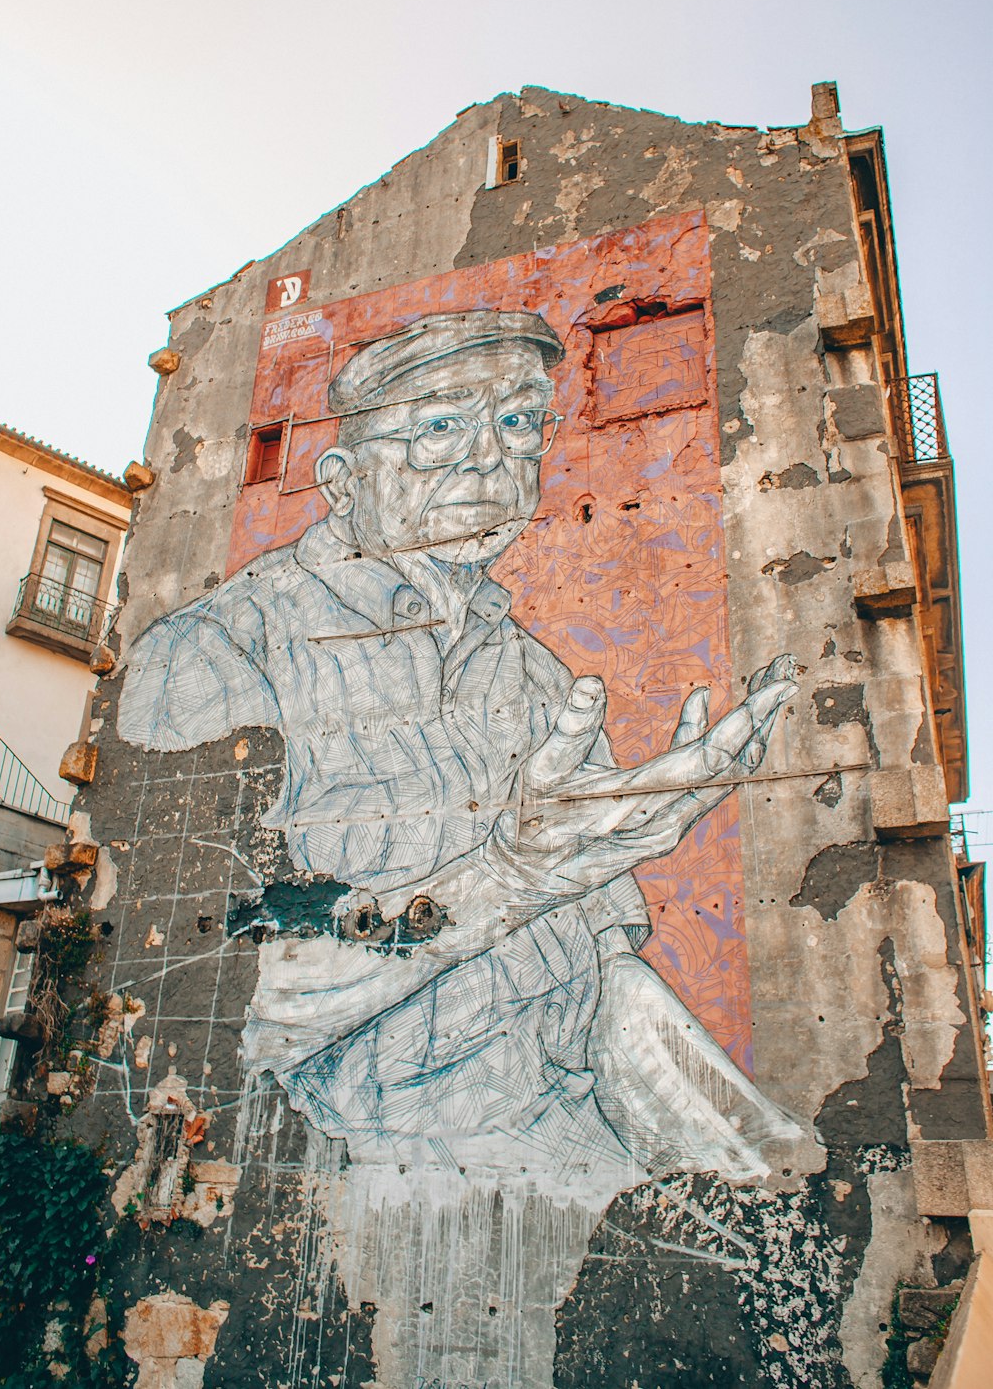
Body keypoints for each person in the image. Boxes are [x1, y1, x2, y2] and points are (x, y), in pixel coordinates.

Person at [119, 310, 802, 1179]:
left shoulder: (542, 680)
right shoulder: (218, 652)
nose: (490, 458)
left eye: (518, 422)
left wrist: (736, 1144)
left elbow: (610, 987)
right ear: (340, 480)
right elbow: (207, 992)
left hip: (567, 1139)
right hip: (355, 1166)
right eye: (440, 426)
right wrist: (510, 877)